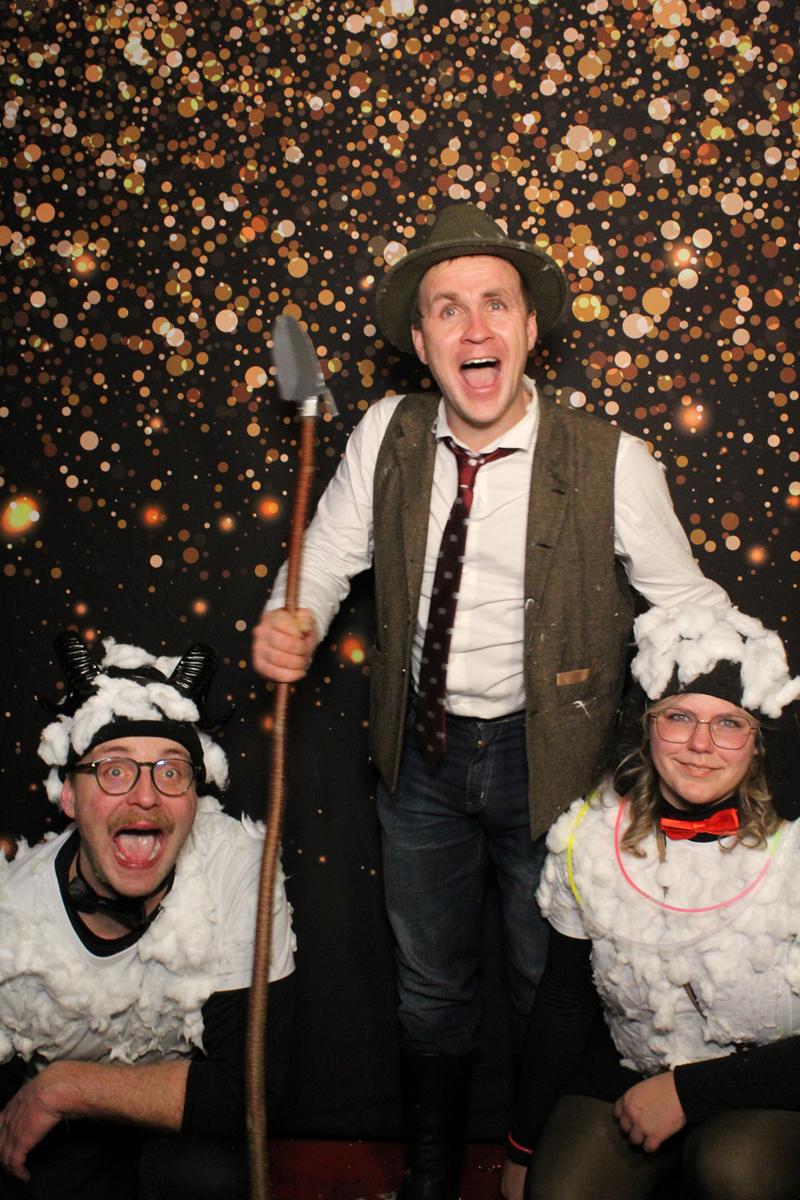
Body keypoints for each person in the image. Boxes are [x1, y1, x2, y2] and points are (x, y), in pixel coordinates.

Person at [251, 202, 729, 1200]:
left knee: (545, 980)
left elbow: (691, 610)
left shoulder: (611, 459)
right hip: (419, 757)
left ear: (528, 328)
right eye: (448, 309)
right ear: (421, 340)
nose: (474, 327)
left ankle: (529, 1162)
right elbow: (324, 559)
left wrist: (725, 713)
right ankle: (431, 1177)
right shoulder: (385, 435)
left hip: (552, 767)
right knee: (428, 983)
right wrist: (290, 614)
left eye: (495, 304)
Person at [505, 602, 800, 1200]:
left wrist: (690, 1093)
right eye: (679, 717)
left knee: (737, 1171)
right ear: (646, 726)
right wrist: (522, 1147)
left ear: (757, 740)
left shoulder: (794, 846)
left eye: (728, 723)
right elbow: (564, 1001)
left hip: (771, 1086)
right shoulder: (589, 835)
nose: (700, 745)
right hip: (637, 1065)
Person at [0, 633, 295, 1200]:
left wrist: (65, 1085)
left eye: (170, 771)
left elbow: (249, 1095)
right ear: (69, 795)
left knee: (208, 1178)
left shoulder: (236, 870)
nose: (145, 797)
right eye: (114, 770)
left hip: (180, 1131)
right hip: (67, 1140)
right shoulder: (14, 918)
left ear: (195, 795)